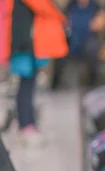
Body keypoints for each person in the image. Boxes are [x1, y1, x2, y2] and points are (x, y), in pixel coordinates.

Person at [1, 0, 69, 146]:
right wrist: (60, 16)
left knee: (28, 84)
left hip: (27, 44)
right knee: (26, 84)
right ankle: (26, 125)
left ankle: (27, 123)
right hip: (24, 45)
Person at [51, 0, 105, 90]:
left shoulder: (95, 7)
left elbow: (100, 24)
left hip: (89, 39)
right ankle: (55, 84)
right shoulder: (71, 6)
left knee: (92, 49)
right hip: (72, 40)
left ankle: (93, 83)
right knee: (59, 50)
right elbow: (63, 21)